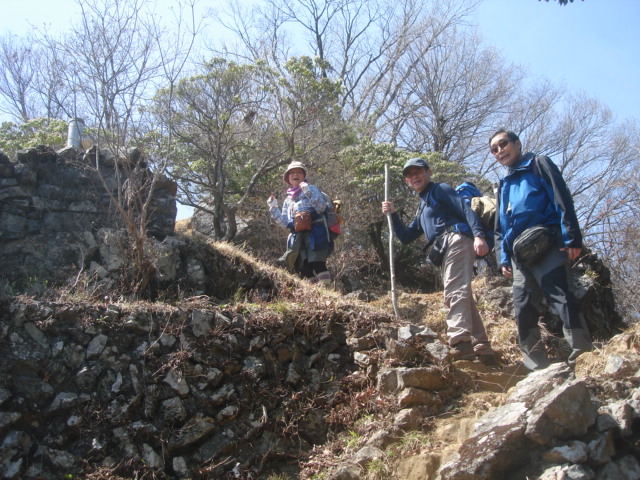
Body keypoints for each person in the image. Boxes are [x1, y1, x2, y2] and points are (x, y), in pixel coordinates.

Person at [490, 129, 593, 370]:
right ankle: (535, 366)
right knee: (523, 308)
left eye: (503, 144)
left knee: (561, 295)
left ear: (517, 144)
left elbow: (561, 197)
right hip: (518, 256)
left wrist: (572, 237)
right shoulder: (503, 183)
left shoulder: (538, 163)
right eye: (494, 149)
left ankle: (582, 353)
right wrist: (502, 258)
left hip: (547, 241)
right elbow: (500, 227)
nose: (499, 151)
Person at [381, 158, 496, 363]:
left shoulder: (440, 190)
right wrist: (394, 214)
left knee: (454, 290)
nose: (414, 176)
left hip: (457, 239)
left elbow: (465, 209)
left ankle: (460, 343)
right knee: (462, 293)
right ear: (407, 181)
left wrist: (479, 235)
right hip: (445, 249)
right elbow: (406, 237)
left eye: (419, 172)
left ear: (429, 173)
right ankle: (482, 346)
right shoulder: (423, 206)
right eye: (410, 174)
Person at [267, 161, 333, 285]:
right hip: (297, 237)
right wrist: (273, 208)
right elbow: (285, 223)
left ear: (303, 175)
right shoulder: (288, 199)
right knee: (304, 267)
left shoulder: (312, 188)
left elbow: (321, 208)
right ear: (288, 178)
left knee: (318, 262)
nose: (295, 175)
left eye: (298, 172)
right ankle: (314, 297)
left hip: (316, 233)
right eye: (291, 173)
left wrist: (307, 192)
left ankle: (327, 293)